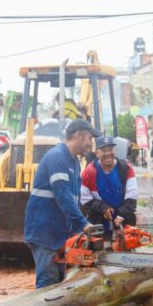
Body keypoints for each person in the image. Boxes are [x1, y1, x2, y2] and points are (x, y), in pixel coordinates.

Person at [24, 119, 100, 289]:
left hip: (58, 233)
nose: (90, 144)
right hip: (45, 233)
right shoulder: (57, 157)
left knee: (58, 284)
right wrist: (83, 224)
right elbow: (63, 196)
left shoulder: (73, 162)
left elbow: (74, 200)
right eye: (89, 138)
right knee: (47, 286)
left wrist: (76, 232)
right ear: (78, 136)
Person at [80, 135, 138, 237]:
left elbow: (132, 196)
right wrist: (103, 208)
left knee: (126, 246)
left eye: (110, 149)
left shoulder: (125, 168)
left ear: (114, 150)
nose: (108, 153)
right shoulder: (89, 172)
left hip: (123, 220)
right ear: (97, 153)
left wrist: (121, 215)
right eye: (103, 150)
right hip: (99, 221)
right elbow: (84, 199)